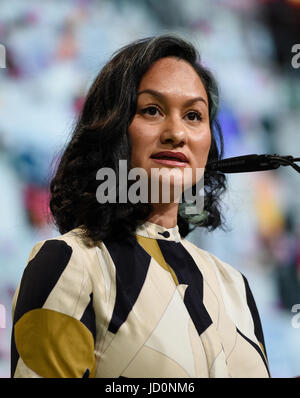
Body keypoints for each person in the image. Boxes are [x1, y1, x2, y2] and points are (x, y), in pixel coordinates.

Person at [10, 34, 270, 378]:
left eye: (194, 115)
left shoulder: (235, 285)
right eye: (152, 110)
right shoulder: (69, 262)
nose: (177, 133)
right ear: (112, 128)